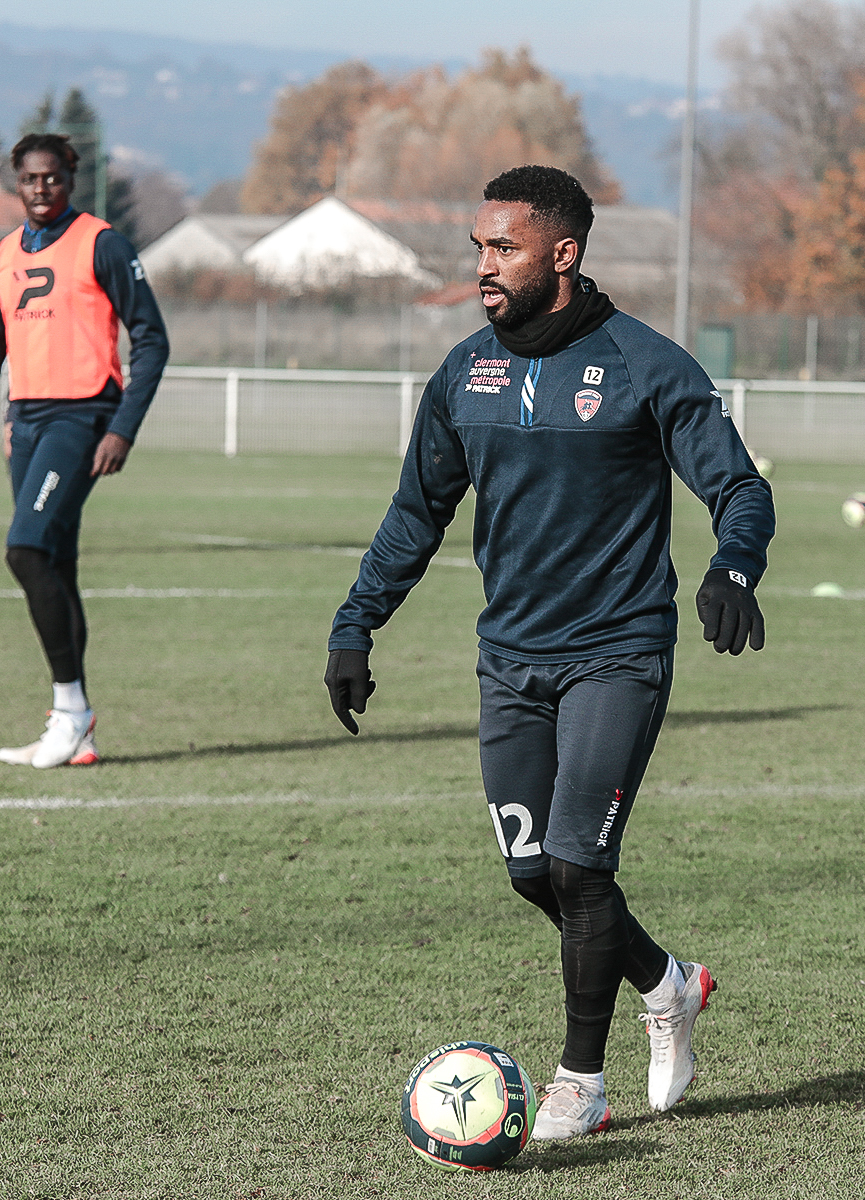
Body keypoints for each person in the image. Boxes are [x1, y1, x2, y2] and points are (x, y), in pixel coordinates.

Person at [323, 166, 775, 1140]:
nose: (483, 266)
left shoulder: (647, 365)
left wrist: (734, 566)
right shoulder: (463, 375)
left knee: (577, 861)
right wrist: (356, 624)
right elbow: (416, 514)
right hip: (510, 661)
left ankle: (582, 1081)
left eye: (503, 248)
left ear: (561, 255)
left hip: (617, 652)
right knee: (532, 872)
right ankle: (665, 982)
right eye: (478, 247)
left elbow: (739, 488)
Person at [0, 132, 169, 767]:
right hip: (23, 426)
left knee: (24, 551)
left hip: (81, 421)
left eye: (52, 178)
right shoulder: (1, 257)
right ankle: (74, 726)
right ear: (16, 182)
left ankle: (71, 710)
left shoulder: (100, 243)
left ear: (70, 179)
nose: (40, 189)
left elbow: (152, 340)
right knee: (54, 566)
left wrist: (122, 429)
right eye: (29, 179)